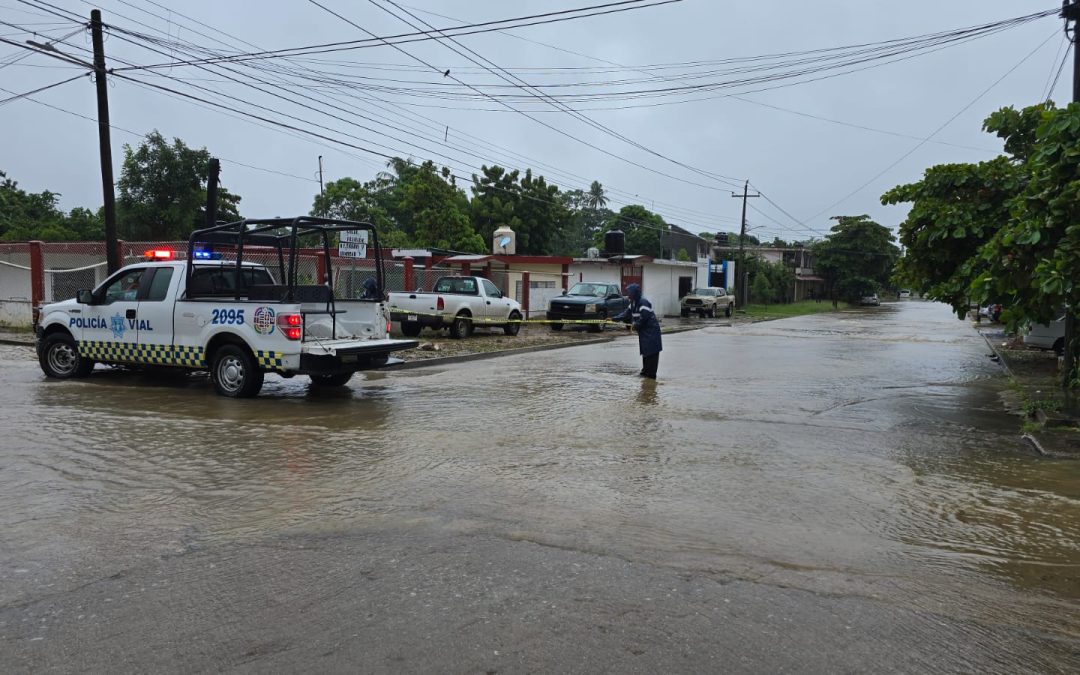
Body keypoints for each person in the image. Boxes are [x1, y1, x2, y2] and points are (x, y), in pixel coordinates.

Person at [612, 283, 662, 378]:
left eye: (629, 293)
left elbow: (645, 317)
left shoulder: (643, 302)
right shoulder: (633, 304)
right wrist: (614, 318)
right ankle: (644, 374)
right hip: (643, 333)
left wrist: (636, 325)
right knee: (645, 353)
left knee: (651, 354)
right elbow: (626, 314)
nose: (628, 295)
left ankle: (650, 378)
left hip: (652, 333)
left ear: (635, 293)